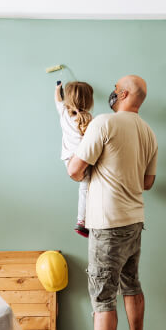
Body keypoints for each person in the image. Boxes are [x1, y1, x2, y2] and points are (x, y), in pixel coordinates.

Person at [67, 75, 158, 330]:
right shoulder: (149, 132)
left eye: (117, 89)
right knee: (131, 284)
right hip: (134, 222)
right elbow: (148, 182)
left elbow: (75, 171)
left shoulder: (104, 123)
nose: (114, 92)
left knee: (103, 297)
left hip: (107, 225)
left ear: (126, 93)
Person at [55, 81, 95, 237]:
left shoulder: (64, 113)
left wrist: (58, 88)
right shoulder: (90, 119)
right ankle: (83, 221)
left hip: (69, 160)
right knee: (86, 190)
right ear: (89, 101)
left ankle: (82, 221)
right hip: (84, 159)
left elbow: (57, 99)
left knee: (85, 188)